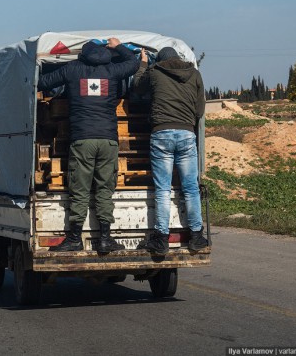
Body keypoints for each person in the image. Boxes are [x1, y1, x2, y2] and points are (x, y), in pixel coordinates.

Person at [38, 38, 141, 254]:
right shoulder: (112, 70)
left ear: (83, 54)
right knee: (105, 189)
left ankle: (75, 237)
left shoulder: (73, 69)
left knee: (80, 189)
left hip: (82, 139)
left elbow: (42, 82)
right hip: (108, 140)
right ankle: (105, 239)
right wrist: (118, 46)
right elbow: (133, 63)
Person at [132, 46, 209, 254]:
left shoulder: (155, 72)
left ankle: (162, 238)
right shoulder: (194, 73)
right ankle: (196, 236)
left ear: (161, 60)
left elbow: (137, 86)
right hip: (186, 134)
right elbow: (200, 109)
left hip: (162, 134)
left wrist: (143, 64)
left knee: (163, 189)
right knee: (191, 188)